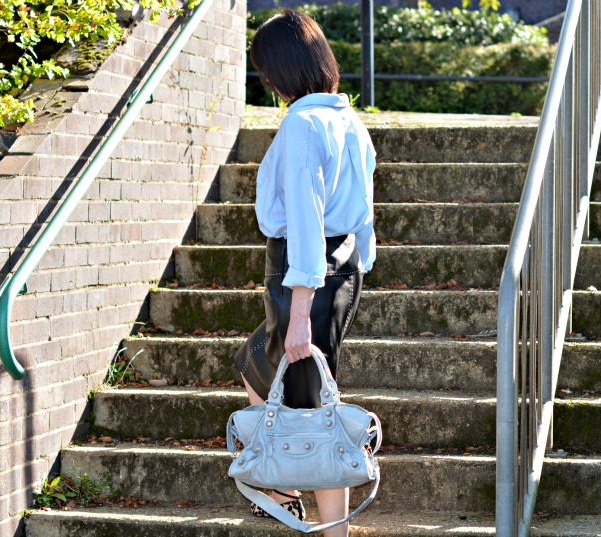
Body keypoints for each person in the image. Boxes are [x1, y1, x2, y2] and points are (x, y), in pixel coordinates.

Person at [233, 10, 376, 537]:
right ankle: (285, 490)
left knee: (312, 408)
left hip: (304, 271)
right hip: (340, 271)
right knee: (255, 361)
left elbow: (307, 221)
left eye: (266, 73)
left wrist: (299, 311)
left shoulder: (301, 123)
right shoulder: (347, 119)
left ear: (281, 71)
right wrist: (356, 267)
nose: (266, 83)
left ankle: (326, 524)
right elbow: (363, 212)